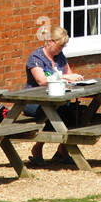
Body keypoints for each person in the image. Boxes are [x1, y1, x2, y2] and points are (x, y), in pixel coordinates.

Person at [25, 27, 82, 166]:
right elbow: (42, 80)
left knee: (76, 111)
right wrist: (65, 76)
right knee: (57, 112)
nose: (61, 49)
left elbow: (70, 74)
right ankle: (37, 149)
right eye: (60, 45)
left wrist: (75, 78)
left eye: (63, 46)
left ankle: (63, 150)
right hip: (34, 101)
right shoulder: (36, 57)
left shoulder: (60, 57)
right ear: (50, 41)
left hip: (58, 99)